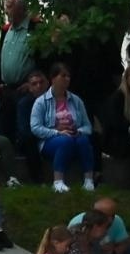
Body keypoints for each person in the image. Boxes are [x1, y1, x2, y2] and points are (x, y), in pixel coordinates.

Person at [30, 63, 95, 192]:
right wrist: (57, 132)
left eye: (69, 76)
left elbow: (88, 126)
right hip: (51, 141)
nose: (67, 79)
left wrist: (78, 131)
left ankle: (89, 180)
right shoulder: (41, 102)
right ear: (53, 79)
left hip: (74, 137)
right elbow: (35, 127)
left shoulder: (76, 101)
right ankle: (58, 181)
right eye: (63, 75)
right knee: (65, 141)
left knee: (84, 140)